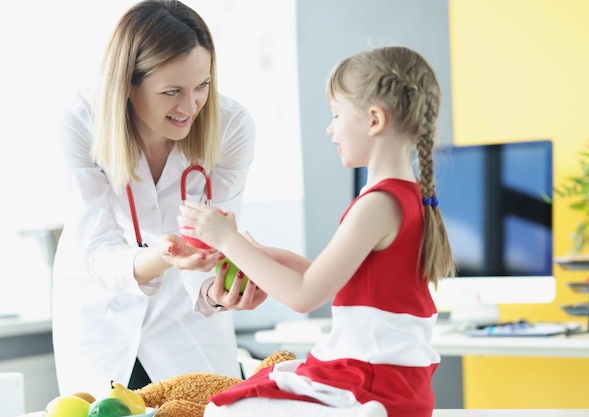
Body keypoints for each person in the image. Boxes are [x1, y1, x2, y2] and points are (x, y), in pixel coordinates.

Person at [179, 46, 456, 417]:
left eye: (337, 114)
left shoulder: (377, 204)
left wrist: (225, 237)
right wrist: (266, 256)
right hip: (398, 381)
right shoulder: (407, 198)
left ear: (374, 119)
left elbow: (304, 295)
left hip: (372, 381)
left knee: (223, 410)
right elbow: (339, 279)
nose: (330, 127)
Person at [52, 0, 267, 399]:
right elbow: (98, 249)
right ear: (128, 85)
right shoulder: (80, 123)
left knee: (203, 406)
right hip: (101, 309)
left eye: (202, 86)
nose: (190, 107)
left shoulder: (232, 126)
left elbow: (217, 241)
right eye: (171, 91)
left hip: (188, 317)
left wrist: (214, 291)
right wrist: (168, 253)